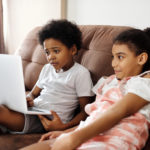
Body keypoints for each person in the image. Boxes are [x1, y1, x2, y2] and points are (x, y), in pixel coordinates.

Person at [21, 27, 150, 150]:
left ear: (141, 58)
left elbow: (118, 111)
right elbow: (94, 116)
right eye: (113, 57)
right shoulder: (110, 81)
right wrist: (65, 132)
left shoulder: (144, 82)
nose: (113, 63)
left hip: (113, 141)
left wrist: (74, 138)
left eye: (120, 57)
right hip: (84, 133)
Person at [0, 19, 94, 134]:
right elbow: (33, 94)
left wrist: (64, 127)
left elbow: (85, 111)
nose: (51, 57)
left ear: (73, 50)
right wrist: (28, 100)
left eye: (56, 51)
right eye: (47, 52)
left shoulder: (80, 73)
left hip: (49, 120)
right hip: (34, 111)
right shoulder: (47, 68)